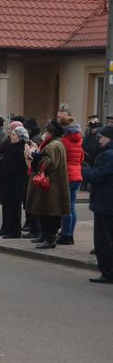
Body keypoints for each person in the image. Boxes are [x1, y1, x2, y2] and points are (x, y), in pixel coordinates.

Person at [26, 120, 70, 249]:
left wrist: (36, 156)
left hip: (51, 186)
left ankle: (50, 238)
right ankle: (47, 236)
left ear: (51, 132)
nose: (44, 134)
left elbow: (50, 165)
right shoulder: (55, 144)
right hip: (52, 185)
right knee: (47, 213)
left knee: (49, 214)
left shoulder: (53, 146)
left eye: (46, 131)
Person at [82, 126, 113, 284]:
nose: (100, 140)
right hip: (107, 203)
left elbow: (97, 176)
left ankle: (107, 273)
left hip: (105, 204)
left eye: (102, 137)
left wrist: (85, 170)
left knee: (103, 240)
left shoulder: (108, 155)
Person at [0, 126, 29, 238]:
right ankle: (9, 229)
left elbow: (12, 167)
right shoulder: (12, 148)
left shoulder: (19, 150)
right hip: (9, 182)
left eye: (14, 135)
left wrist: (3, 170)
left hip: (15, 183)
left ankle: (14, 232)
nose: (11, 136)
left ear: (20, 137)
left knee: (14, 207)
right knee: (10, 206)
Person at [57, 116, 84, 245]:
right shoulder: (79, 139)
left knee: (66, 208)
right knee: (72, 207)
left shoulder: (63, 141)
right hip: (77, 176)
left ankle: (66, 234)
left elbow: (60, 159)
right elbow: (81, 157)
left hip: (67, 176)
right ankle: (70, 234)